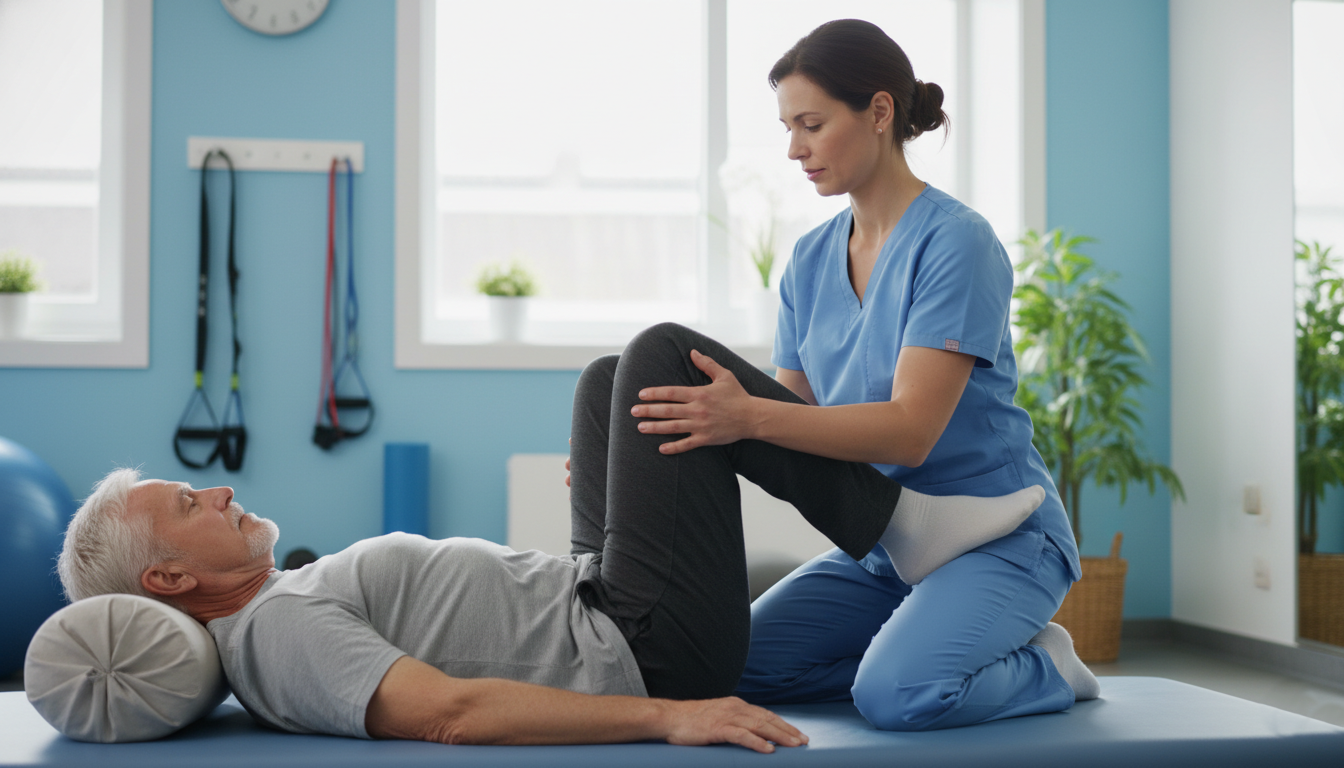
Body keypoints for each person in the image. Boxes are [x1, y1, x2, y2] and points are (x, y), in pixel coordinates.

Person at [57, 324, 1046, 752]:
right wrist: (675, 718)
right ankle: (899, 524)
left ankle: (895, 527)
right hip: (643, 653)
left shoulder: (273, 607)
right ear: (173, 575)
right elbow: (447, 713)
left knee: (609, 377)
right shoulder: (274, 634)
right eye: (190, 502)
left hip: (595, 601)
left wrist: (618, 514)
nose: (219, 490)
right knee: (664, 358)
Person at [623, 20, 1099, 731]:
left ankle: (1045, 664)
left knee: (896, 696)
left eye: (811, 124)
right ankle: (929, 650)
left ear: (879, 113)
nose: (794, 149)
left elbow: (909, 432)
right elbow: (794, 423)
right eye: (787, 128)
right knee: (733, 669)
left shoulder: (955, 242)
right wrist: (636, 454)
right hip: (885, 549)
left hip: (1001, 536)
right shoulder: (811, 260)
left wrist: (748, 415)